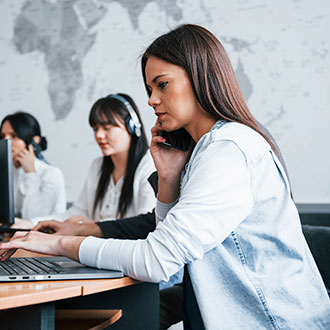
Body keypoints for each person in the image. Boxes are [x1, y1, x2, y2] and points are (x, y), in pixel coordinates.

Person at [1, 24, 330, 329]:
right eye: (149, 88)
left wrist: (58, 244)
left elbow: (156, 261)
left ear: (200, 77)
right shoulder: (206, 149)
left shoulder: (229, 150)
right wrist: (169, 182)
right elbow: (170, 250)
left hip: (272, 322)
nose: (151, 99)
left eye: (162, 85)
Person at [15, 93, 156, 229]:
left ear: (132, 127)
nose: (99, 135)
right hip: (95, 249)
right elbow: (77, 213)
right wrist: (31, 224)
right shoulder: (98, 166)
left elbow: (143, 225)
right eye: (95, 129)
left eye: (107, 128)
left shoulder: (149, 166)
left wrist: (93, 227)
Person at [0, 111, 66, 219]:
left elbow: (33, 218)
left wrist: (30, 173)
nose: (6, 141)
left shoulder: (52, 174)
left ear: (34, 142)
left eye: (14, 136)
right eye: (2, 136)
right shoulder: (8, 171)